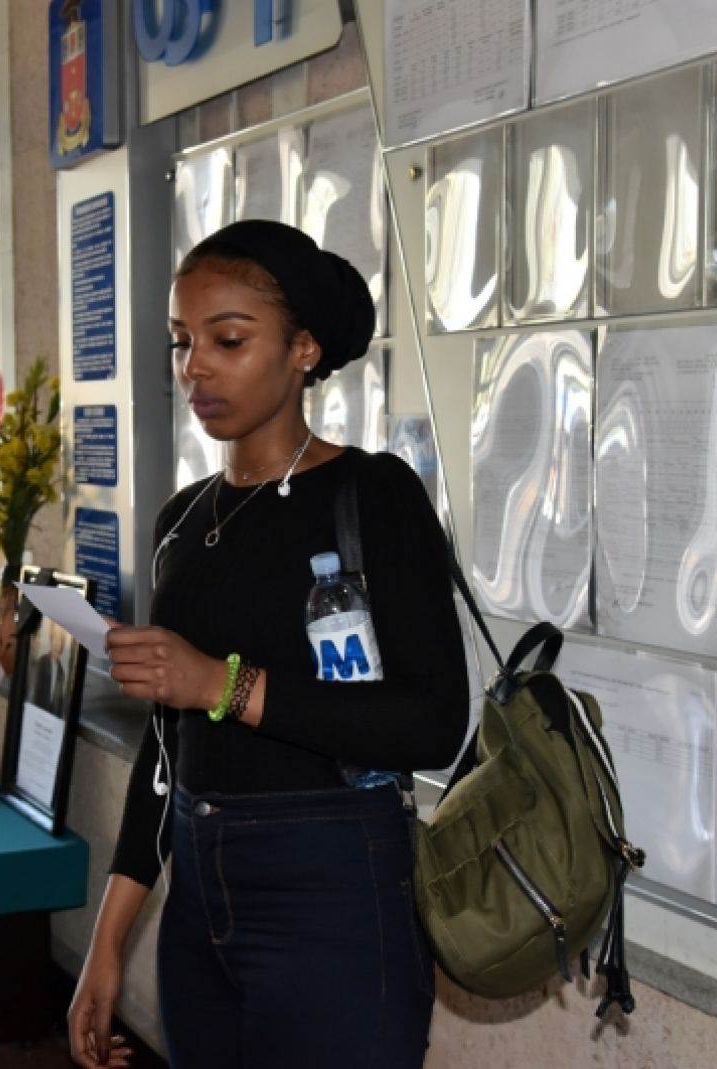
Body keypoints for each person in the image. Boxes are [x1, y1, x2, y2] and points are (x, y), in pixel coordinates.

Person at [67, 220, 468, 1069]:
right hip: (196, 897)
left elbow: (433, 722)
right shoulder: (181, 520)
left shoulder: (373, 494)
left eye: (228, 340)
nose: (195, 367)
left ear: (302, 349)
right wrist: (109, 940)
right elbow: (166, 750)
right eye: (182, 341)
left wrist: (222, 685)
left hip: (333, 892)